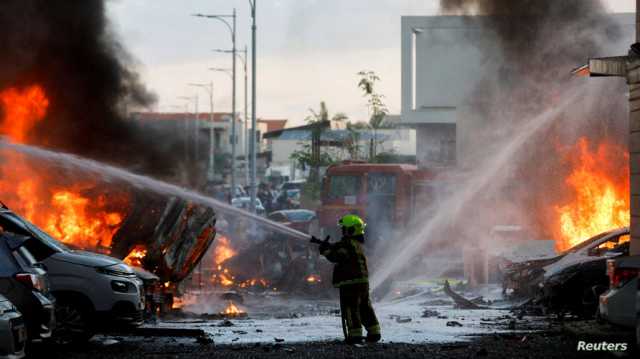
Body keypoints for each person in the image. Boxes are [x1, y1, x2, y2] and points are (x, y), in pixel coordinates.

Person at [313, 214, 381, 344]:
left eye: (344, 229)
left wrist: (325, 251)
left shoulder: (347, 244)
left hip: (350, 283)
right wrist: (329, 246)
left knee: (351, 308)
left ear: (350, 230)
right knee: (365, 307)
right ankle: (374, 332)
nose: (342, 231)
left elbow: (338, 256)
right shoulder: (357, 244)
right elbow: (340, 249)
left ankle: (354, 335)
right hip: (362, 282)